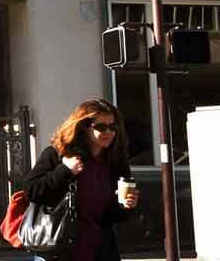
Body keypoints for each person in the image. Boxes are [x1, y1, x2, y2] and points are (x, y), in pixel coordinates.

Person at [22, 98, 139, 261]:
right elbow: (32, 191)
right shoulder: (59, 154)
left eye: (112, 127)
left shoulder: (115, 162)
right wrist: (64, 170)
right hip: (60, 250)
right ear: (84, 128)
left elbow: (114, 216)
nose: (108, 132)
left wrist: (127, 206)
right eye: (101, 127)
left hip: (101, 251)